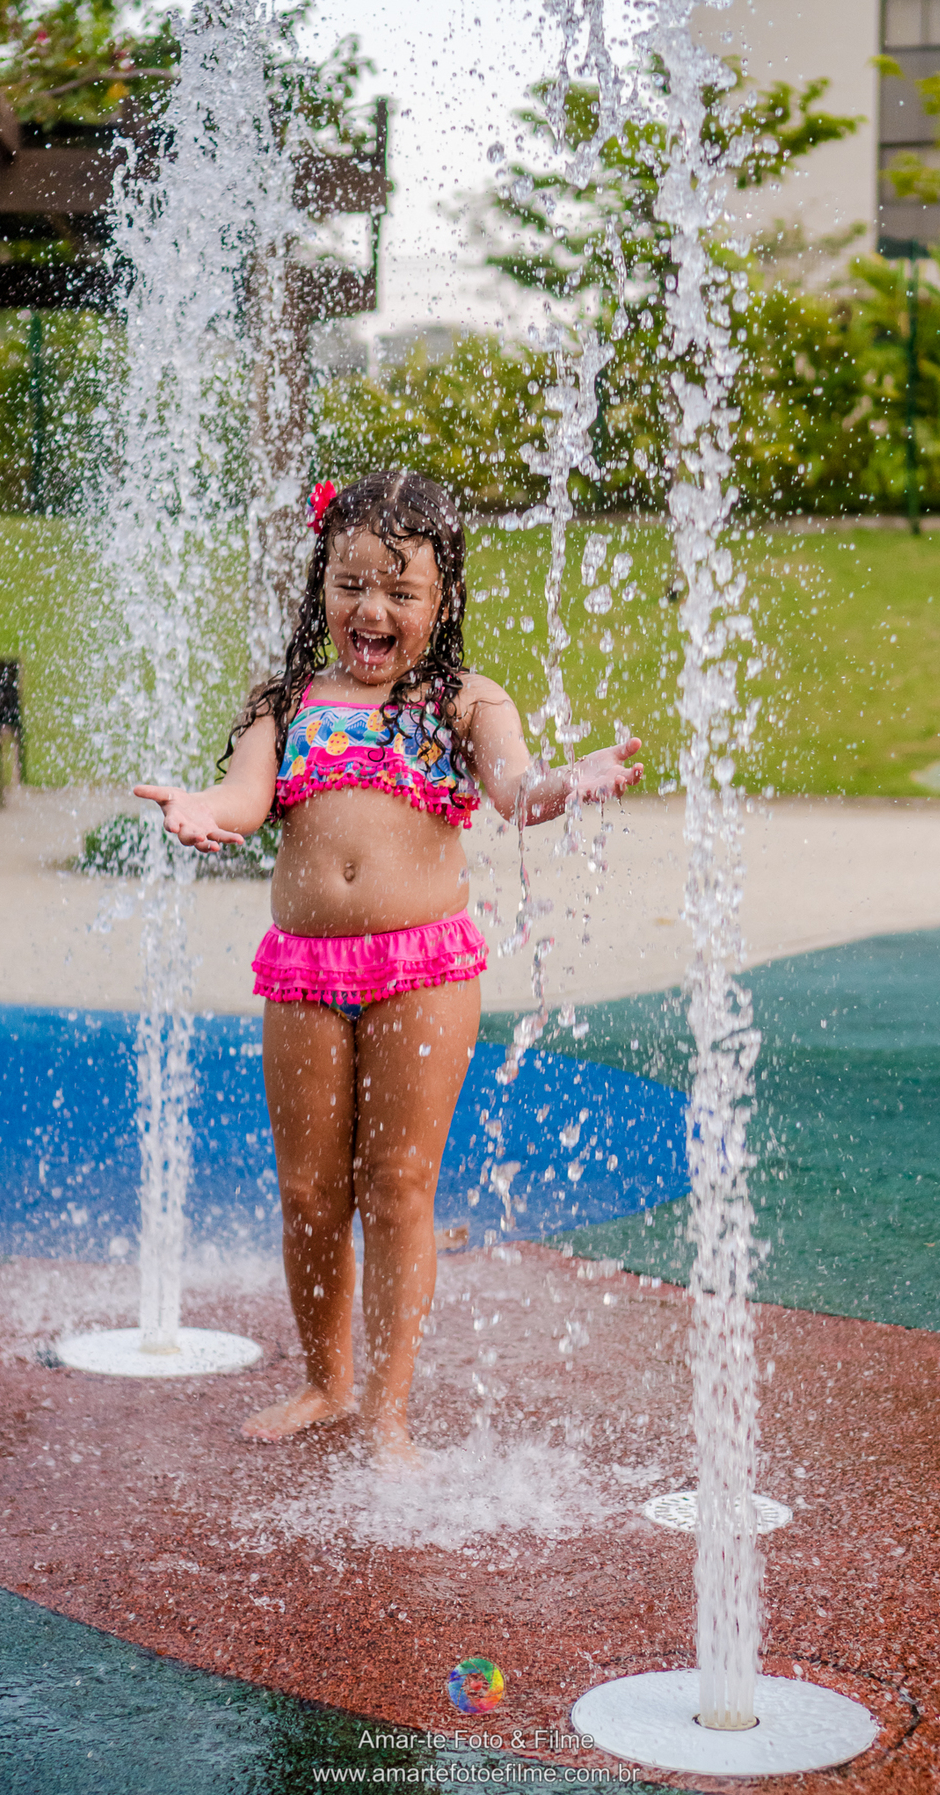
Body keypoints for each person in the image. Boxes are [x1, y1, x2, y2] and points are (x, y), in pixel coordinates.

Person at [135, 471, 643, 1464]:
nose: (371, 609)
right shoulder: (285, 703)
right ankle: (326, 1382)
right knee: (309, 1191)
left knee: (399, 1185)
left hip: (425, 970)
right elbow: (245, 798)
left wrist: (566, 784)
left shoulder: (464, 703)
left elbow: (516, 790)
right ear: (321, 586)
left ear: (442, 601)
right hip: (304, 972)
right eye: (351, 584)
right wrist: (203, 810)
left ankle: (388, 1408)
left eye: (400, 592)